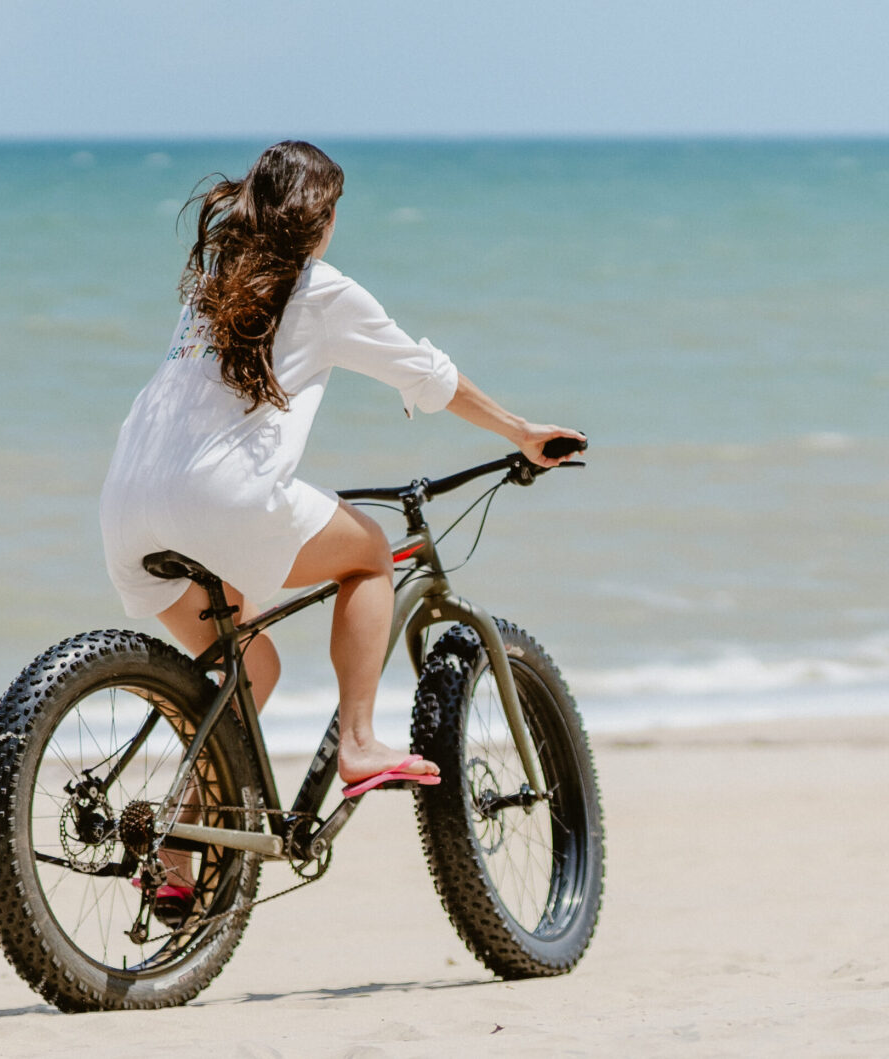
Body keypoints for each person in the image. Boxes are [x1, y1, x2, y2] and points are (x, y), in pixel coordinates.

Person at [99, 140, 582, 923]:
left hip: (127, 505)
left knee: (250, 665)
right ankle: (358, 738)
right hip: (221, 502)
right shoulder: (322, 290)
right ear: (319, 220)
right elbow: (427, 375)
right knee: (366, 556)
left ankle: (177, 846)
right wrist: (522, 431)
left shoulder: (211, 286)